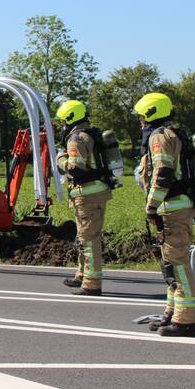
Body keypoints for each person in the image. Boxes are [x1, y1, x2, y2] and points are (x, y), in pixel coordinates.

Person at [134, 92, 195, 337]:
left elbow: (163, 174)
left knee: (178, 265)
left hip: (171, 208)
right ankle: (172, 314)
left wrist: (151, 206)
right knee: (170, 264)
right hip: (174, 206)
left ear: (150, 114)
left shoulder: (159, 137)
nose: (140, 120)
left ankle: (184, 322)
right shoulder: (172, 134)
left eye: (141, 116)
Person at [55, 100, 112, 296]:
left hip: (87, 195)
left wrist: (60, 159)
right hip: (96, 192)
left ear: (70, 118)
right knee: (84, 236)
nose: (62, 126)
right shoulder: (91, 134)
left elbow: (75, 169)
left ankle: (91, 283)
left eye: (63, 122)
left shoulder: (76, 139)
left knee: (89, 239)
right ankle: (82, 274)